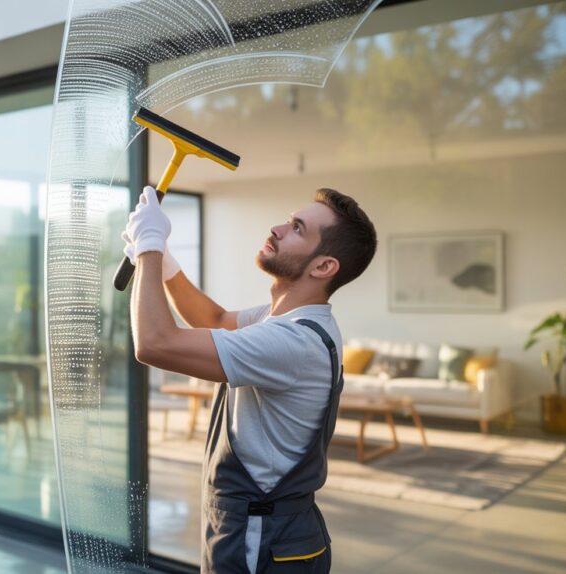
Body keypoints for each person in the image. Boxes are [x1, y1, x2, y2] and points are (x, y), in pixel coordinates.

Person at [121, 185, 377, 573]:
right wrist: (165, 263)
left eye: (296, 228)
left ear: (323, 266)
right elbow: (215, 320)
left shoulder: (292, 341)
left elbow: (155, 343)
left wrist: (149, 246)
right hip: (262, 529)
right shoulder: (286, 320)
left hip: (263, 537)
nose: (276, 228)